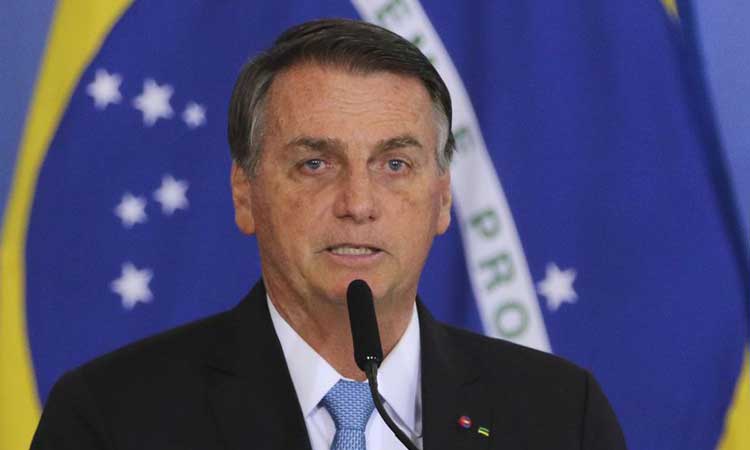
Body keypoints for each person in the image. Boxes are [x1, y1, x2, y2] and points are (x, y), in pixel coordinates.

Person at [31, 19, 627, 450]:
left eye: (395, 164)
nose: (358, 204)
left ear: (443, 198)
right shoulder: (111, 419)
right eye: (315, 164)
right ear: (245, 193)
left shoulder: (559, 417)